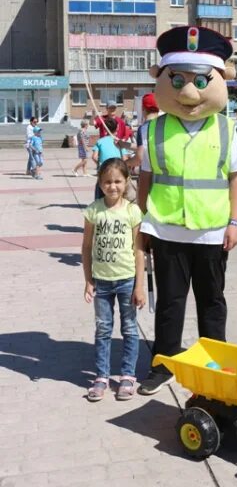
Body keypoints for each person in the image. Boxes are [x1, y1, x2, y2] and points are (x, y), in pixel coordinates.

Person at [137, 25, 237, 395]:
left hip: (213, 231)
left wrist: (235, 222)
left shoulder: (228, 129)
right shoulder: (153, 131)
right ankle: (164, 361)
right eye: (178, 79)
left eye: (201, 80)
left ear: (219, 79)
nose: (188, 90)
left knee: (212, 301)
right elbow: (145, 182)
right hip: (167, 229)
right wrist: (143, 224)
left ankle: (214, 364)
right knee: (170, 302)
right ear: (162, 78)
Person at [82, 158, 145, 402]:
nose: (113, 186)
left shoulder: (132, 211)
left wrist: (139, 285)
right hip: (102, 281)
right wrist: (88, 279)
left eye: (118, 181)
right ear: (100, 182)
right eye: (107, 181)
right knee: (103, 329)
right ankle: (101, 376)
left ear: (126, 182)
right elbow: (86, 247)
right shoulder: (93, 210)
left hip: (127, 279)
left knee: (129, 328)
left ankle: (128, 376)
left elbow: (139, 250)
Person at [118, 92, 160, 173]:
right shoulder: (166, 125)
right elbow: (146, 146)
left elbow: (139, 158)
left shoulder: (144, 128)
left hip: (149, 175)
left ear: (143, 108)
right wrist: (124, 145)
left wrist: (125, 163)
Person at [92, 117, 130, 199]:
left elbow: (94, 157)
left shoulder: (100, 141)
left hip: (104, 170)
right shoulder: (119, 142)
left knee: (100, 191)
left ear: (105, 128)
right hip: (118, 170)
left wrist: (100, 165)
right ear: (117, 128)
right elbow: (125, 158)